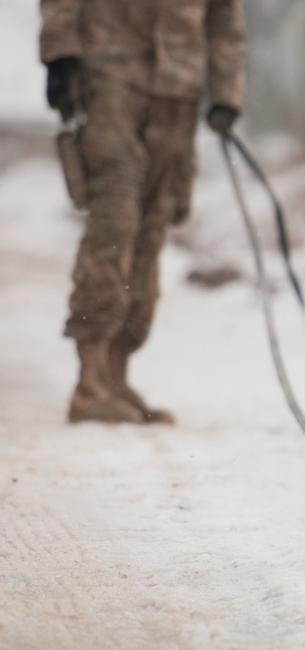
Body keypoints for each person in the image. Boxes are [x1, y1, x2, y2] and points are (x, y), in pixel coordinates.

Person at [40, 0, 246, 423]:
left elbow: (224, 16)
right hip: (109, 78)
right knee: (114, 220)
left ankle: (116, 374)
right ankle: (90, 382)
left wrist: (226, 92)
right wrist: (62, 55)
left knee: (152, 231)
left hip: (178, 93)